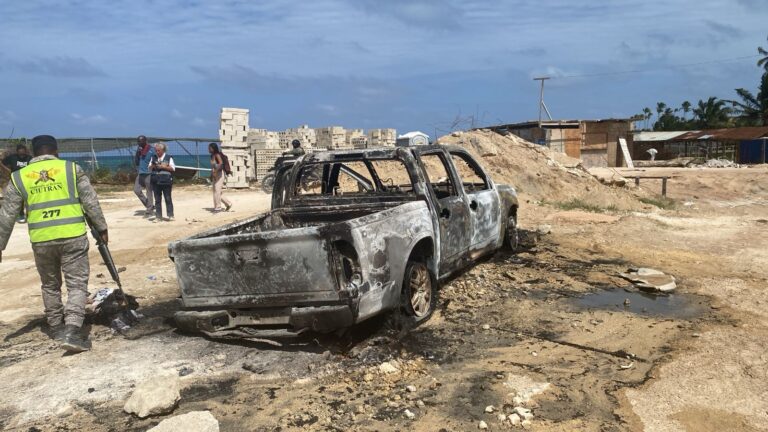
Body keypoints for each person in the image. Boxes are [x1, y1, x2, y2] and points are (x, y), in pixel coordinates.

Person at [0, 135, 108, 353]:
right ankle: (73, 330)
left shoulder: (19, 177)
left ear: (33, 152)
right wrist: (102, 228)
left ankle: (56, 327)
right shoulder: (71, 169)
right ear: (56, 151)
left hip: (41, 240)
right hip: (73, 236)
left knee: (50, 285)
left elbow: (7, 215)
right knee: (76, 284)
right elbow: (90, 201)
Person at [1, 144, 32, 223]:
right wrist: (9, 171)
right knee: (19, 200)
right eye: (20, 152)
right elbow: (2, 163)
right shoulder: (12, 158)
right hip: (16, 181)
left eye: (23, 152)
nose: (22, 154)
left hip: (28, 181)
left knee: (29, 199)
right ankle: (21, 215)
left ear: (25, 151)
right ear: (17, 151)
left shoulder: (30, 158)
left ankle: (29, 215)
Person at [149, 142, 175, 222]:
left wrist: (164, 167)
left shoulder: (168, 157)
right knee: (157, 199)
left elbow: (173, 168)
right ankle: (158, 216)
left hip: (166, 181)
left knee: (167, 198)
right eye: (156, 150)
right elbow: (149, 167)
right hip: (156, 181)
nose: (157, 152)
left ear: (163, 150)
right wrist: (153, 165)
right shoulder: (153, 157)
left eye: (158, 150)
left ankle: (170, 215)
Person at [133, 135, 156, 216]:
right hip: (140, 173)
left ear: (145, 141)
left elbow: (156, 160)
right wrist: (137, 152)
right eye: (138, 141)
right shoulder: (139, 150)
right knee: (136, 190)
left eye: (140, 141)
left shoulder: (151, 149)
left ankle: (149, 209)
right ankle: (149, 205)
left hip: (149, 173)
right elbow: (136, 162)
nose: (138, 143)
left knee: (149, 192)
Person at [209, 143, 232, 212]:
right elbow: (213, 166)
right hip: (214, 174)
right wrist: (211, 174)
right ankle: (228, 203)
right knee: (217, 191)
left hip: (219, 174)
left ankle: (218, 207)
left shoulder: (217, 155)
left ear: (213, 148)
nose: (208, 149)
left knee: (217, 191)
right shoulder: (212, 156)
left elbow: (221, 164)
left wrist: (215, 172)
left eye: (209, 148)